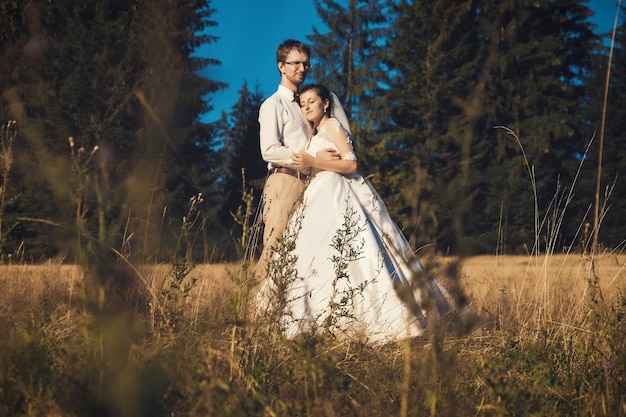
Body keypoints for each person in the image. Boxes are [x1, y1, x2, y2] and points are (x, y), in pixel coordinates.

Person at [257, 84, 474, 343]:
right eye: (303, 103)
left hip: (335, 192)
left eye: (312, 101)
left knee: (353, 252)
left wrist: (313, 161)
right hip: (318, 195)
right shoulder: (314, 134)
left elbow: (351, 163)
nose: (306, 107)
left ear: (325, 103)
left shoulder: (333, 127)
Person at [256, 39, 350, 280]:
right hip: (284, 181)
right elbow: (269, 150)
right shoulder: (273, 105)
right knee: (274, 248)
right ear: (281, 66)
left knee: (299, 251)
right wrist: (310, 158)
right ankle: (252, 310)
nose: (301, 68)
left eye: (306, 64)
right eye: (295, 63)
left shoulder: (307, 105)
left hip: (311, 186)